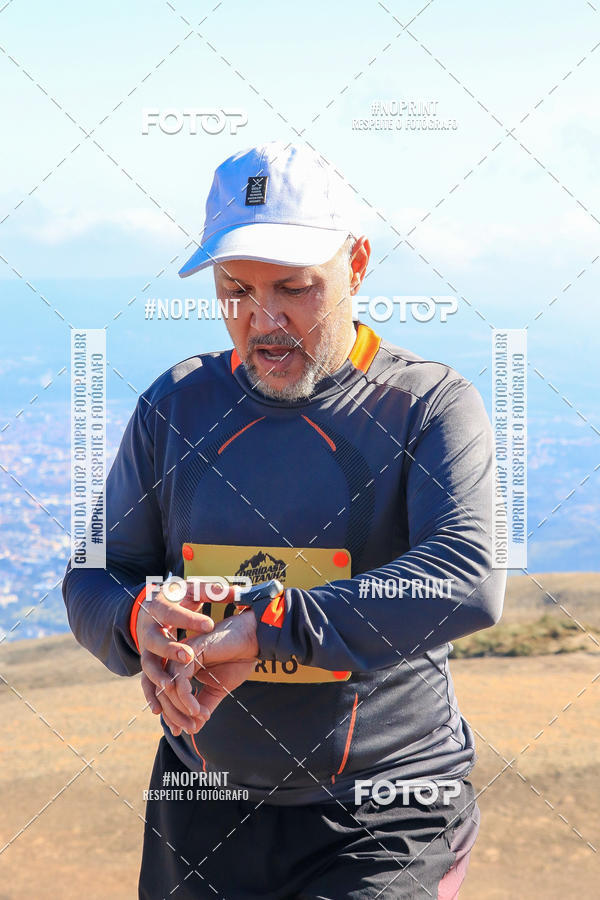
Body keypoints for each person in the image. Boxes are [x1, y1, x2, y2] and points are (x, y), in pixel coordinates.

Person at [63, 141, 506, 899]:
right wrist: (138, 617)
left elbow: (467, 581)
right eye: (235, 290)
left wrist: (268, 627)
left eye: (296, 288)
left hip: (387, 811)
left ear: (357, 264)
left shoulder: (429, 406)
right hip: (202, 802)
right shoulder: (176, 406)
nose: (264, 319)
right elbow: (94, 575)